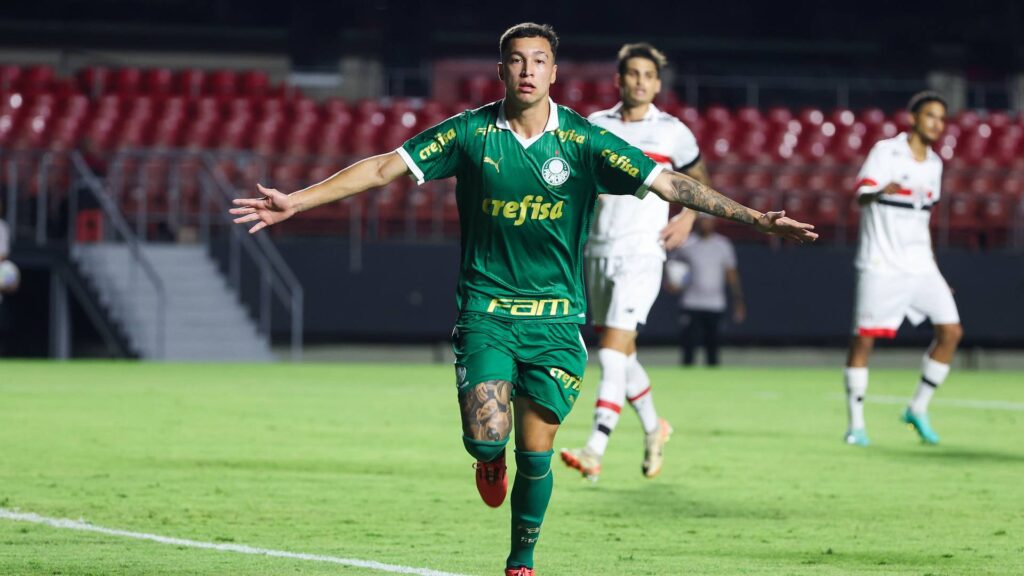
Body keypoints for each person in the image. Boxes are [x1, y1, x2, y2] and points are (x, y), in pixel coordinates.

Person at [231, 23, 817, 576]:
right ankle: (488, 461)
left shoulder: (586, 141)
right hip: (487, 313)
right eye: (516, 60)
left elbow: (669, 183)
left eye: (538, 60)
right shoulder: (469, 133)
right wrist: (297, 202)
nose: (527, 70)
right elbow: (384, 167)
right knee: (488, 437)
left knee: (537, 454)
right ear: (502, 71)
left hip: (558, 322)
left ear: (554, 72)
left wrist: (754, 219)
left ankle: (521, 561)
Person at [560, 42, 709, 483]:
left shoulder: (672, 131)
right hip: (598, 250)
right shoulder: (596, 125)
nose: (641, 81)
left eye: (649, 75)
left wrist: (689, 216)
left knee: (609, 352)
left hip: (643, 252)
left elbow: (699, 182)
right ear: (619, 81)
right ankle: (654, 428)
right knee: (621, 353)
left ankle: (594, 448)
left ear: (657, 84)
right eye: (633, 74)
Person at [843, 91, 962, 447]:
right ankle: (856, 425)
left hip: (921, 265)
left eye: (942, 118)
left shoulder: (935, 165)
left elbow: (923, 220)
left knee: (952, 332)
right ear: (912, 118)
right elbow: (861, 196)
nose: (937, 124)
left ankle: (918, 408)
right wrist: (879, 191)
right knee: (863, 341)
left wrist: (936, 271)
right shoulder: (886, 152)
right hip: (881, 263)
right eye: (930, 116)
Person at [666, 215, 745, 366]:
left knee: (713, 348)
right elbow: (675, 267)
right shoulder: (686, 243)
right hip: (691, 302)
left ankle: (715, 384)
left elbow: (731, 274)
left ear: (713, 222)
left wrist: (738, 300)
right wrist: (673, 282)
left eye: (708, 220)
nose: (705, 223)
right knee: (688, 347)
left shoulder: (723, 244)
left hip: (715, 304)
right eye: (702, 220)